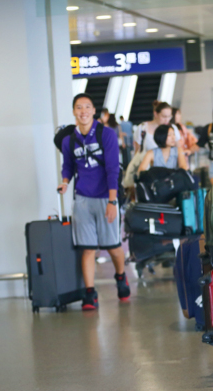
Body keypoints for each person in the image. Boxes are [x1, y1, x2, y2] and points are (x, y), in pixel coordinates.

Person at [58, 93, 130, 311]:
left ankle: (120, 276)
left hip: (105, 197)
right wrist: (64, 182)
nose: (83, 111)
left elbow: (112, 168)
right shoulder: (68, 139)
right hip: (82, 198)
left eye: (87, 107)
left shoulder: (106, 134)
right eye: (79, 107)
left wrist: (112, 200)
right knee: (87, 249)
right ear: (73, 112)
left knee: (113, 246)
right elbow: (69, 165)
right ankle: (90, 293)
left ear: (93, 110)